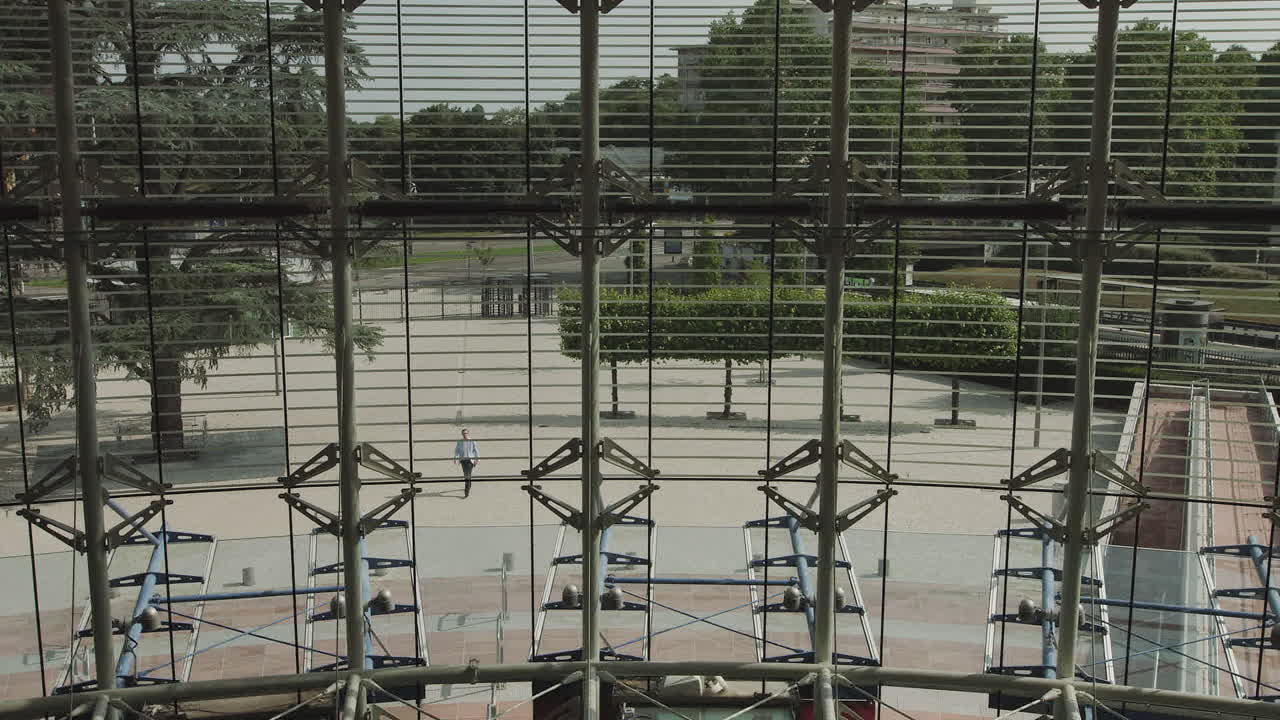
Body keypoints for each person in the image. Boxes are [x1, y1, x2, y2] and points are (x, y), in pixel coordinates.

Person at [453, 428, 479, 497]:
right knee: (466, 475)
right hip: (463, 460)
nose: (465, 435)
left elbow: (476, 451)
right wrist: (455, 458)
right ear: (462, 434)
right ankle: (469, 484)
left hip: (470, 461)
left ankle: (466, 492)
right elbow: (457, 451)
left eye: (466, 433)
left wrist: (477, 460)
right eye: (464, 433)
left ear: (468, 433)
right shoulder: (459, 442)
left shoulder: (472, 441)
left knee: (468, 475)